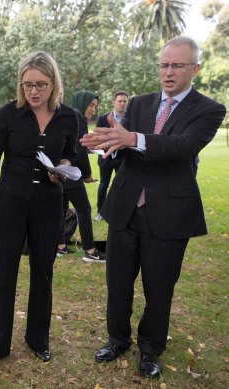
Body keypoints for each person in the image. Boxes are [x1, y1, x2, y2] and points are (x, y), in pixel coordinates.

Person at [81, 36, 226, 379]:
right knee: (117, 282)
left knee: (159, 289)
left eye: (177, 65)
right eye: (163, 65)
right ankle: (117, 339)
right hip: (125, 208)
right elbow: (126, 146)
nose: (168, 72)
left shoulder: (210, 109)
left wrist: (133, 139)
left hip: (169, 214)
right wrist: (111, 145)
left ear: (195, 68)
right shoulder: (141, 104)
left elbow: (183, 146)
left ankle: (150, 350)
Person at [0, 51, 78, 368]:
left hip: (49, 204)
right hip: (10, 202)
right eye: (27, 85)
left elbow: (72, 157)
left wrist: (61, 168)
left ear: (53, 84)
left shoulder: (70, 117)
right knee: (2, 273)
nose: (33, 92)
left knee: (43, 273)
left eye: (41, 85)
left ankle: (38, 339)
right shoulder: (8, 114)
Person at [57, 90, 105, 263]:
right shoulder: (76, 116)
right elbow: (79, 150)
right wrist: (87, 175)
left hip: (59, 170)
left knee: (61, 209)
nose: (92, 109)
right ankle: (90, 251)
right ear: (82, 102)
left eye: (95, 106)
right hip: (71, 172)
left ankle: (60, 247)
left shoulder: (68, 114)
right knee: (84, 209)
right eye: (91, 105)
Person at [94, 91, 128, 221]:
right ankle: (100, 212)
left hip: (122, 159)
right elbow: (97, 137)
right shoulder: (103, 118)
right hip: (105, 158)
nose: (122, 103)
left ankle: (120, 212)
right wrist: (108, 143)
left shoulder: (129, 119)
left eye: (125, 101)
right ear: (113, 102)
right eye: (120, 101)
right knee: (103, 185)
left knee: (121, 186)